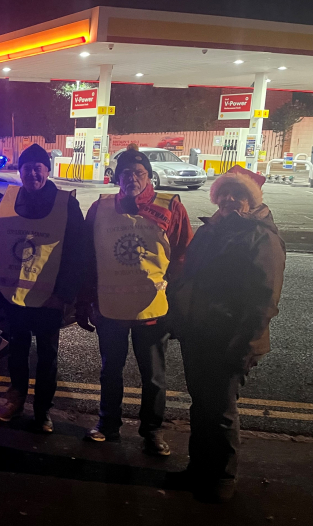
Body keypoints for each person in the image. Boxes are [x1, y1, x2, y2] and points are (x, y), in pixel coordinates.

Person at [168, 166, 285, 502]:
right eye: (225, 194)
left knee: (220, 411)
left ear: (252, 200)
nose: (231, 200)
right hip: (199, 333)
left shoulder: (262, 237)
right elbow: (190, 276)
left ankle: (221, 479)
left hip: (229, 339)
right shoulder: (212, 229)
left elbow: (265, 299)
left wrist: (247, 344)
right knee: (201, 406)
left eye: (239, 195)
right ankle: (198, 469)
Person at [77, 149, 192, 455]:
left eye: (139, 173)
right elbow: (87, 258)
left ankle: (152, 431)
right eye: (126, 173)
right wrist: (85, 301)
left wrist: (177, 301)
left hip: (153, 310)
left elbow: (184, 257)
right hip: (110, 308)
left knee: (153, 376)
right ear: (117, 177)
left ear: (149, 175)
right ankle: (107, 424)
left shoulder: (171, 208)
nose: (132, 178)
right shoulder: (100, 208)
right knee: (110, 370)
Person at [0, 144, 86, 432]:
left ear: (47, 170)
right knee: (17, 353)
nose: (32, 173)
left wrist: (65, 294)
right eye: (26, 167)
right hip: (14, 294)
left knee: (47, 357)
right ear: (19, 171)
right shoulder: (7, 201)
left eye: (38, 167)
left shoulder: (66, 203)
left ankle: (43, 411)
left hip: (50, 298)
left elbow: (78, 252)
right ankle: (15, 401)